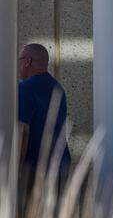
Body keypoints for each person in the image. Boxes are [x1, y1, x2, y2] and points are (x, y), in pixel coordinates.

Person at [17, 43, 72, 209]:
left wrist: (17, 168)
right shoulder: (58, 88)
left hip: (35, 168)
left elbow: (22, 132)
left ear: (27, 61)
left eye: (19, 60)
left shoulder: (25, 89)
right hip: (62, 164)